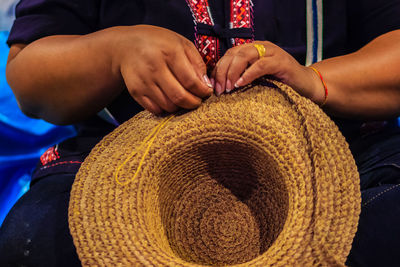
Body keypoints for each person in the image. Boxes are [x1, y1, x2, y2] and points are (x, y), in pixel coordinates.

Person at [1, 0, 400, 266]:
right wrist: (113, 52)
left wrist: (314, 81)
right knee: (33, 241)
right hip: (124, 160)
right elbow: (29, 80)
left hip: (336, 149)